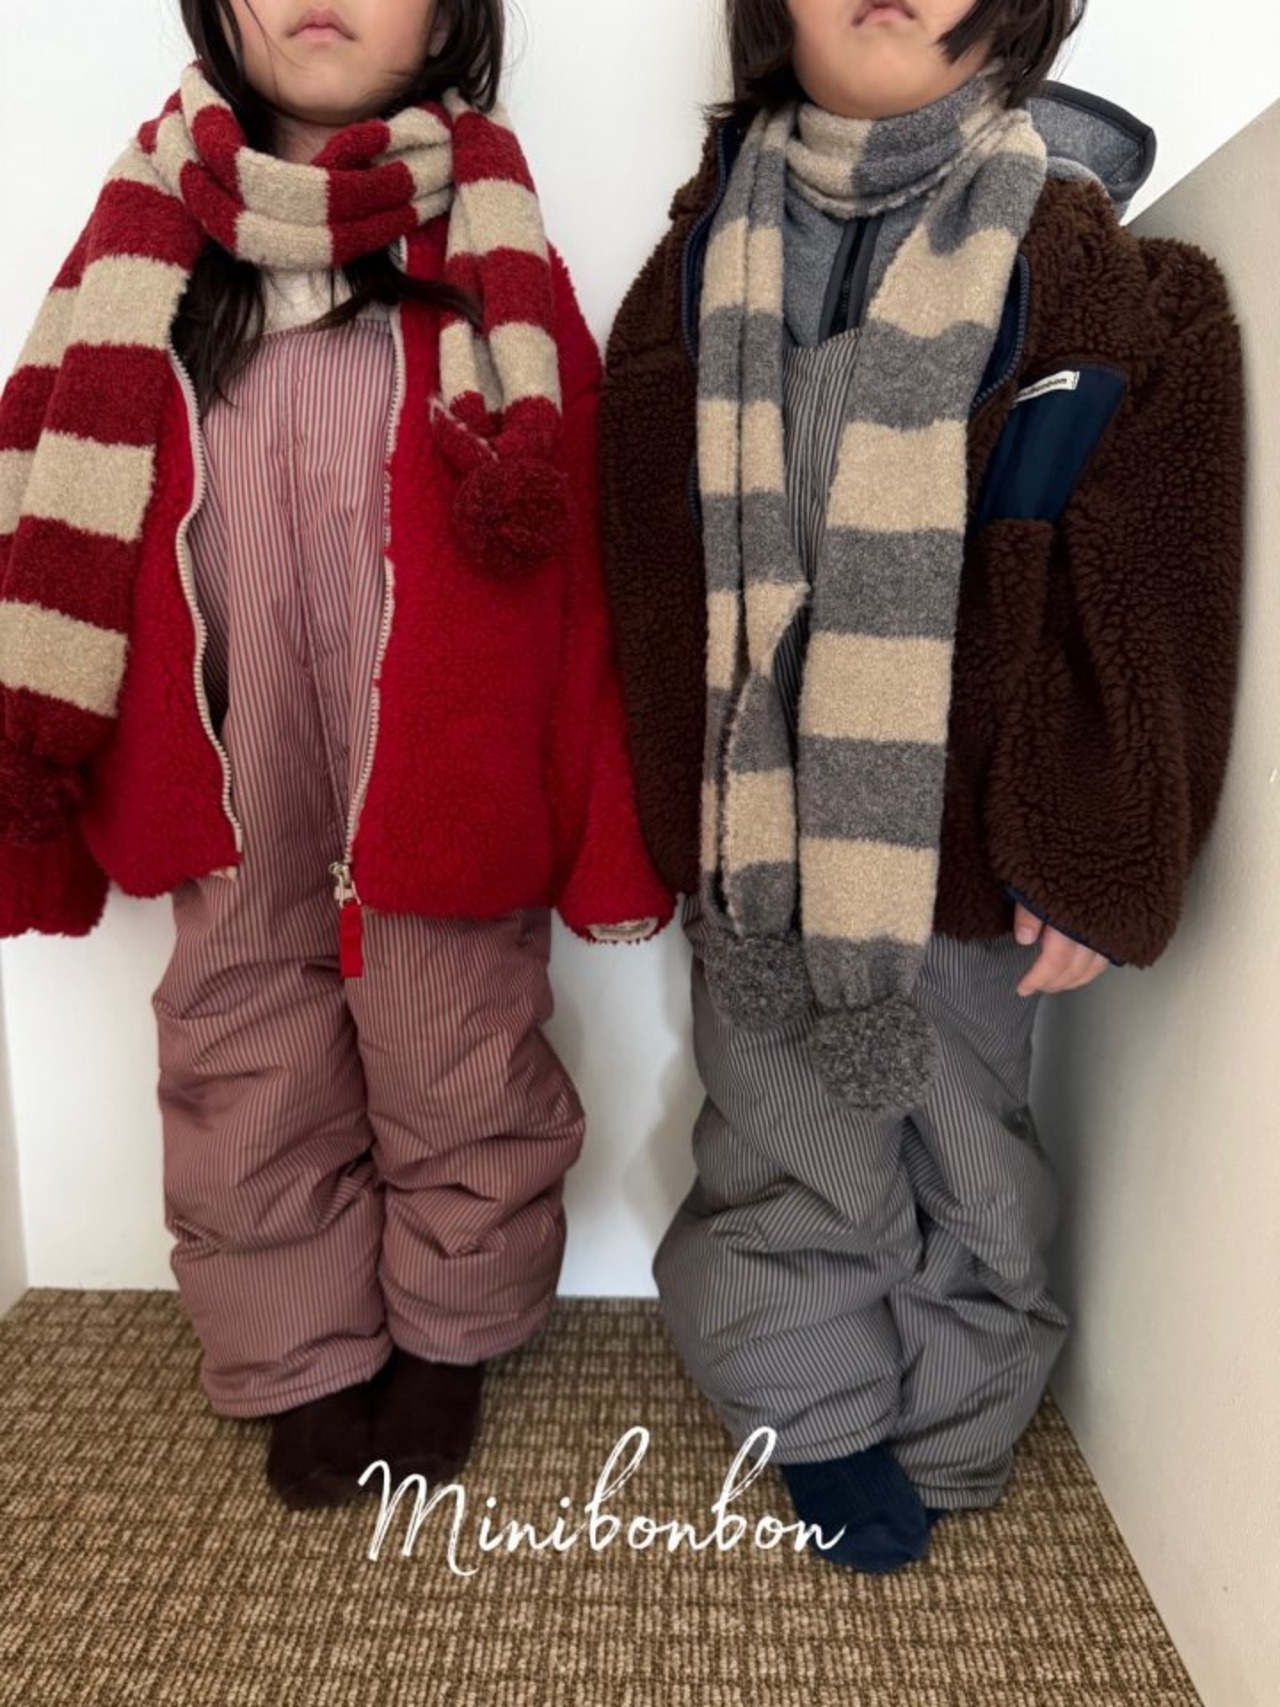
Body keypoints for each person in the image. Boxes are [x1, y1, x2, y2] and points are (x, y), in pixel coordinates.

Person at [599, 0, 1244, 1572]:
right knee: (778, 1138)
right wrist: (663, 820)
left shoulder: (1084, 262)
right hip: (757, 822)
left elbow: (1147, 579)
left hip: (963, 821)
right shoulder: (695, 267)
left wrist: (1093, 842)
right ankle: (809, 1406)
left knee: (972, 1135)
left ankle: (963, 1412)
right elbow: (642, 565)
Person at [0, 0, 671, 1510]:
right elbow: (46, 493)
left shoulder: (485, 256)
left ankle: (453, 1323)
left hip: (435, 758)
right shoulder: (148, 254)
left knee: (455, 1033)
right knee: (241, 1034)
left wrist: (602, 817)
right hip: (230, 747)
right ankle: (297, 1343)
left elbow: (585, 559)